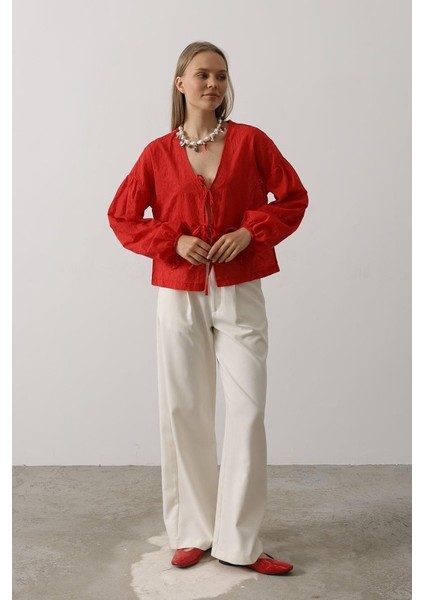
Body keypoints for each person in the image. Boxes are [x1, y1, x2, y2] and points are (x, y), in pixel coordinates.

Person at [108, 41, 308, 576]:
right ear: (181, 83)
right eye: (202, 75)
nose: (213, 84)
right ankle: (193, 531)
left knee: (248, 410)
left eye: (220, 75)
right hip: (179, 292)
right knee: (185, 409)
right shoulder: (156, 154)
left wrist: (251, 232)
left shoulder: (251, 142)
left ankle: (241, 542)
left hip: (239, 289)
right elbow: (122, 216)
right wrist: (171, 241)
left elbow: (293, 198)